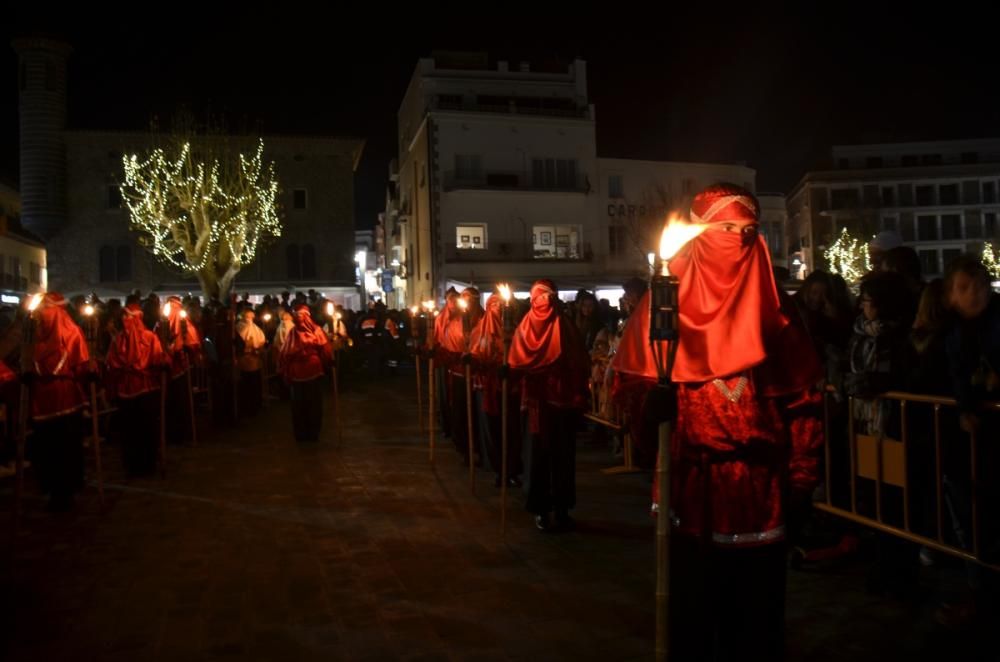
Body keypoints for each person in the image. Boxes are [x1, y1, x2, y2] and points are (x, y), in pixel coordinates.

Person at [651, 184, 824, 660]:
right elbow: (632, 391)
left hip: (761, 492)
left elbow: (804, 403)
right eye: (726, 229)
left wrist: (801, 481)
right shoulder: (668, 304)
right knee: (693, 617)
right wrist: (652, 405)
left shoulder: (779, 314)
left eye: (748, 231)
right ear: (701, 234)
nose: (738, 240)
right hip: (693, 490)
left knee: (756, 623)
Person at [508, 279, 589, 532]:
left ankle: (561, 508)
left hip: (560, 404)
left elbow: (578, 363)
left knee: (562, 458)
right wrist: (509, 370)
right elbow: (516, 362)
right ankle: (542, 509)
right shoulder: (525, 328)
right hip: (536, 405)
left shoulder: (564, 326)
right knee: (538, 458)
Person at [23, 293, 95, 511]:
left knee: (58, 447)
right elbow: (80, 364)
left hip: (56, 400)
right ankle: (59, 490)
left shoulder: (63, 332)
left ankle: (61, 490)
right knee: (58, 447)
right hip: (52, 401)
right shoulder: (36, 335)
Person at [105, 303, 168, 476]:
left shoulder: (149, 337)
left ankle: (148, 463)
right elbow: (112, 362)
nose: (125, 320)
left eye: (128, 316)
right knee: (129, 430)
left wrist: (163, 361)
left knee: (146, 428)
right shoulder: (118, 339)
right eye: (123, 316)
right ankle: (132, 464)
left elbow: (156, 359)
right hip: (126, 390)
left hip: (146, 389)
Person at [470, 289, 522, 487]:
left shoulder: (516, 330)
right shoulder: (477, 331)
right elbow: (475, 353)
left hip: (511, 390)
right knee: (493, 431)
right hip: (488, 390)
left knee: (512, 431)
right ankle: (498, 469)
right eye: (493, 305)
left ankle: (512, 470)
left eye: (501, 305)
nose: (497, 309)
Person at [278, 304, 331, 442]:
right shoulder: (294, 333)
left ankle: (308, 433)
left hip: (310, 370)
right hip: (301, 373)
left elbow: (325, 350)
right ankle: (305, 433)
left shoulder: (315, 331)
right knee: (303, 405)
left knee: (308, 404)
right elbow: (285, 354)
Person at [158, 296, 202, 443]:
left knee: (182, 401)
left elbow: (193, 343)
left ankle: (183, 433)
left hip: (182, 369)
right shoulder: (161, 325)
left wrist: (185, 349)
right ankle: (171, 434)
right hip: (166, 370)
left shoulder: (186, 325)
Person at [235, 308, 266, 417]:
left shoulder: (255, 328)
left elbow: (261, 340)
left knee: (254, 383)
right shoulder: (239, 327)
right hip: (244, 361)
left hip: (255, 360)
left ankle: (255, 405)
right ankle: (248, 406)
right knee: (247, 384)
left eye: (251, 317)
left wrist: (258, 349)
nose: (249, 320)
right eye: (248, 317)